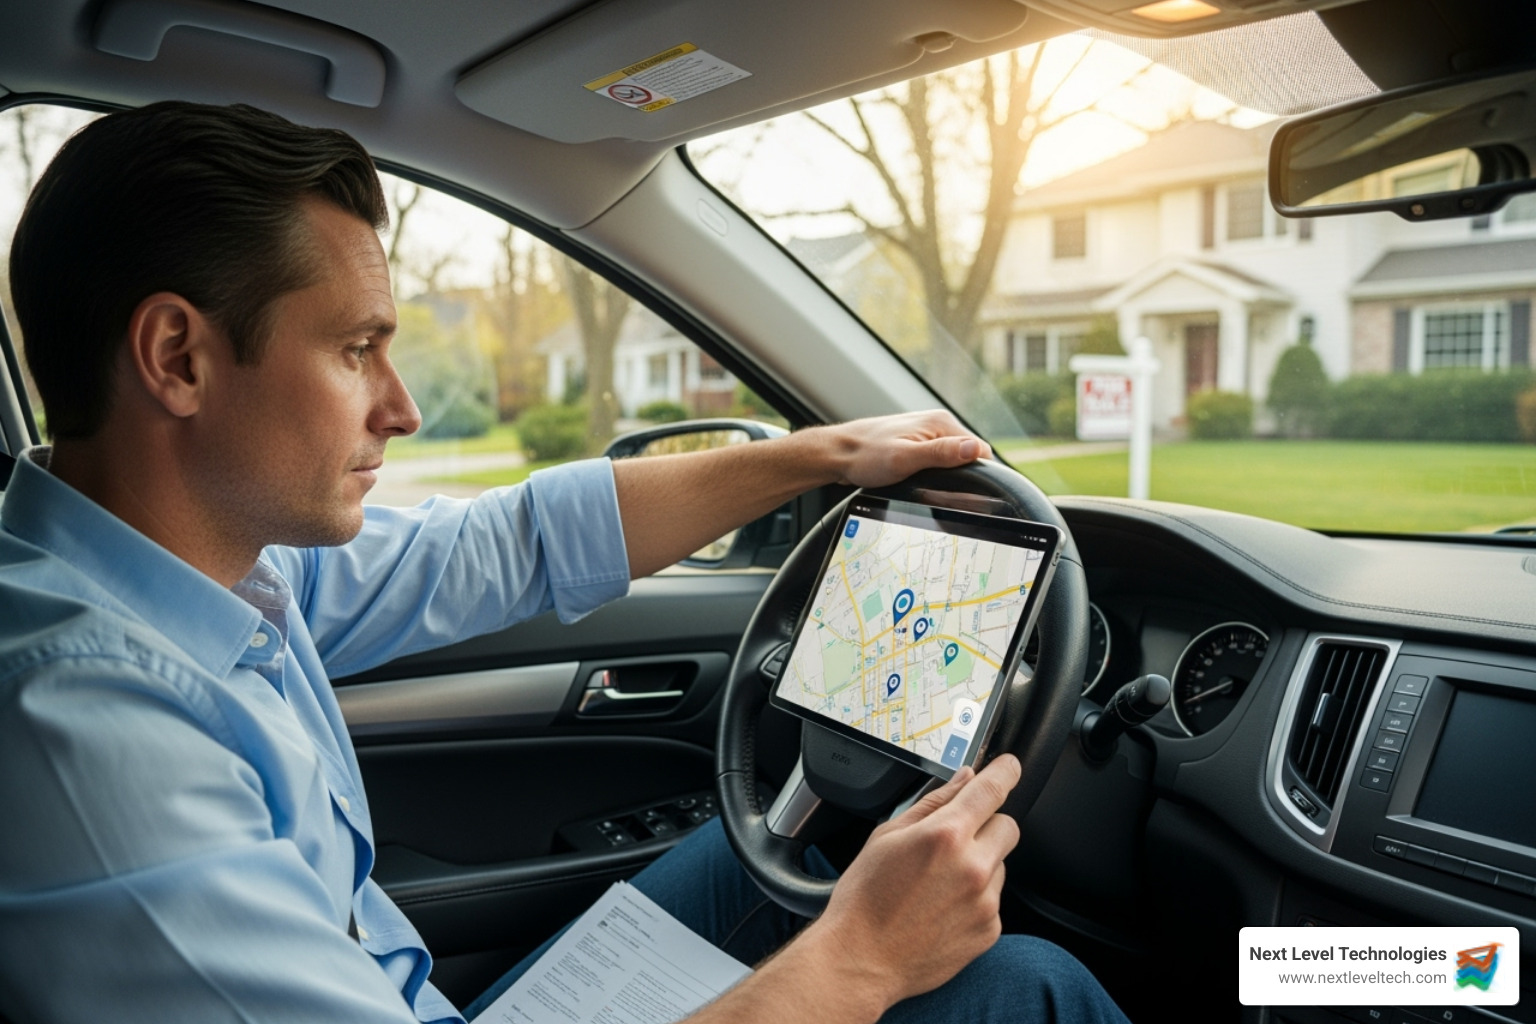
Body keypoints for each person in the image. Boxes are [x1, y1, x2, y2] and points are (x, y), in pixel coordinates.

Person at [0, 101, 1129, 1024]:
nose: (402, 406)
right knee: (1027, 991)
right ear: (178, 357)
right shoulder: (89, 736)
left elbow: (508, 545)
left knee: (756, 861)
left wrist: (822, 454)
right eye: (357, 350)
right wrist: (858, 959)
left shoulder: (200, 561)